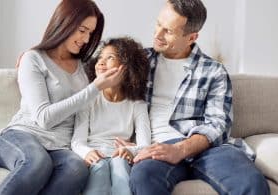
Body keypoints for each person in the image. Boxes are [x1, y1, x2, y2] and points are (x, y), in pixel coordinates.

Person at [115, 0, 270, 195]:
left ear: (191, 37)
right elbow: (110, 99)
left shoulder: (213, 71)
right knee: (143, 177)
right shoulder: (140, 62)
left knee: (251, 183)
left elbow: (218, 124)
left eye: (168, 31)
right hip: (157, 147)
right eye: (158, 24)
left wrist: (180, 149)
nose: (157, 34)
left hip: (208, 148)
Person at [0, 0, 124, 195]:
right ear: (65, 23)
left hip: (60, 146)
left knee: (76, 168)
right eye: (82, 30)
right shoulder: (33, 59)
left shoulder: (84, 67)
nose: (86, 39)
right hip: (23, 135)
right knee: (37, 162)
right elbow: (44, 118)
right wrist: (95, 87)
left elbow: (123, 58)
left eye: (90, 32)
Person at [71, 37, 151, 195]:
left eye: (110, 58)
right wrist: (87, 153)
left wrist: (131, 151)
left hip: (120, 156)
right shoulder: (88, 98)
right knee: (99, 167)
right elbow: (77, 141)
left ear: (126, 67)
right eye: (100, 57)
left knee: (120, 166)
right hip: (94, 155)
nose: (101, 62)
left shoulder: (137, 105)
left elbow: (145, 145)